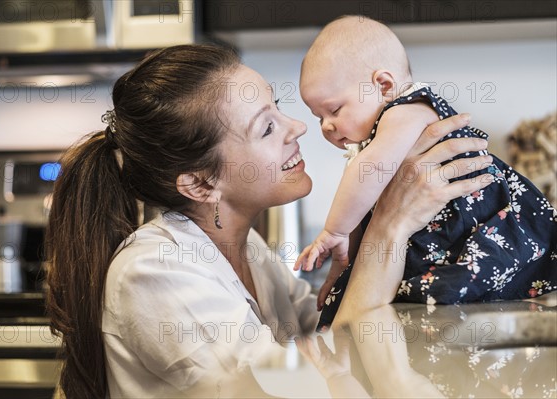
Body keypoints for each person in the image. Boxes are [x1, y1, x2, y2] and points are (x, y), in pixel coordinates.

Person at [45, 44, 493, 398]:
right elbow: (302, 388)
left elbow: (332, 345)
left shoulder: (250, 251)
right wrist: (391, 225)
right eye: (266, 128)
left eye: (278, 108)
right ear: (200, 184)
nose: (297, 127)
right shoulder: (154, 271)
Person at [294, 16, 557, 327]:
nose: (327, 126)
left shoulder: (406, 110)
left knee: (444, 299)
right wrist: (343, 257)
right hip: (436, 237)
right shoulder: (377, 141)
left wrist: (333, 230)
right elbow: (364, 201)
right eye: (318, 117)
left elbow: (369, 170)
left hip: (475, 228)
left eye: (334, 110)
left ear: (384, 85)